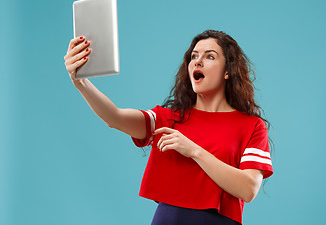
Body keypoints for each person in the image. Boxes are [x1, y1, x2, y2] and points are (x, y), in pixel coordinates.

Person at [64, 30, 273, 225]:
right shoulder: (168, 119)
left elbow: (248, 189)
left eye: (210, 56)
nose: (198, 61)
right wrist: (81, 82)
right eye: (193, 56)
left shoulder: (251, 126)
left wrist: (193, 150)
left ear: (228, 71)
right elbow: (114, 117)